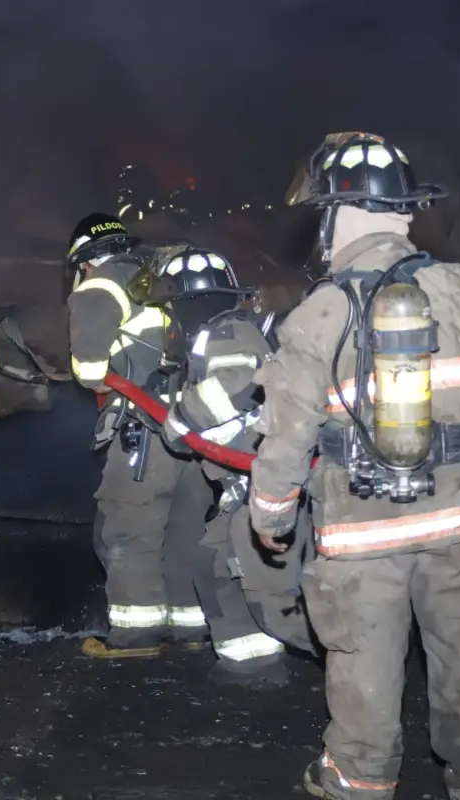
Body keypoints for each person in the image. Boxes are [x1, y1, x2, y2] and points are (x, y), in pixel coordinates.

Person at [249, 133, 460, 800]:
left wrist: (269, 514)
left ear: (336, 216)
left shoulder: (318, 313)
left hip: (362, 537)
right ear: (406, 212)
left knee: (364, 665)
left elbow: (284, 438)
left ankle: (358, 779)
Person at [120, 246, 316, 687]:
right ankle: (250, 665)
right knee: (215, 561)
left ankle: (265, 663)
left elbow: (235, 384)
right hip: (246, 481)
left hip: (259, 478)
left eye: (172, 304)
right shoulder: (217, 333)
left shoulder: (226, 332)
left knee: (237, 569)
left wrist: (181, 418)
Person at [65, 212, 214, 657]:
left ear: (83, 261)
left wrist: (101, 376)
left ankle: (135, 637)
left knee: (129, 531)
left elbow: (90, 372)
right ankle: (190, 630)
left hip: (143, 434)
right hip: (194, 429)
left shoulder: (98, 286)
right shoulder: (161, 278)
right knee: (185, 531)